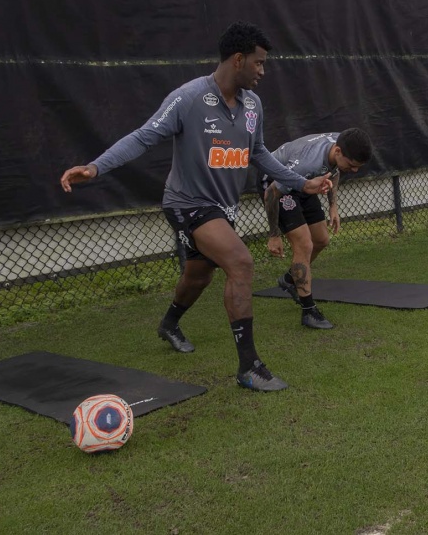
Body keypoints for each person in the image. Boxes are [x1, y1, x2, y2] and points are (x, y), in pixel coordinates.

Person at [60, 21, 332, 392]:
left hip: (222, 209)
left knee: (199, 275)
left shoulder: (253, 105)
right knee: (240, 262)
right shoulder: (187, 98)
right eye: (259, 63)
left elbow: (260, 154)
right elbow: (143, 136)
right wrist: (95, 167)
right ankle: (249, 367)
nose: (263, 71)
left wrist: (302, 183)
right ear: (238, 59)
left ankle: (169, 323)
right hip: (186, 202)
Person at [262, 129, 372, 330]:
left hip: (306, 183)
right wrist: (274, 234)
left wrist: (333, 205)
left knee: (321, 240)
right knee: (304, 244)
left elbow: (334, 172)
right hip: (278, 184)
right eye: (352, 165)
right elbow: (271, 193)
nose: (354, 170)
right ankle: (309, 311)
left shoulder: (341, 145)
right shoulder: (307, 163)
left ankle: (289, 279)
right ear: (338, 151)